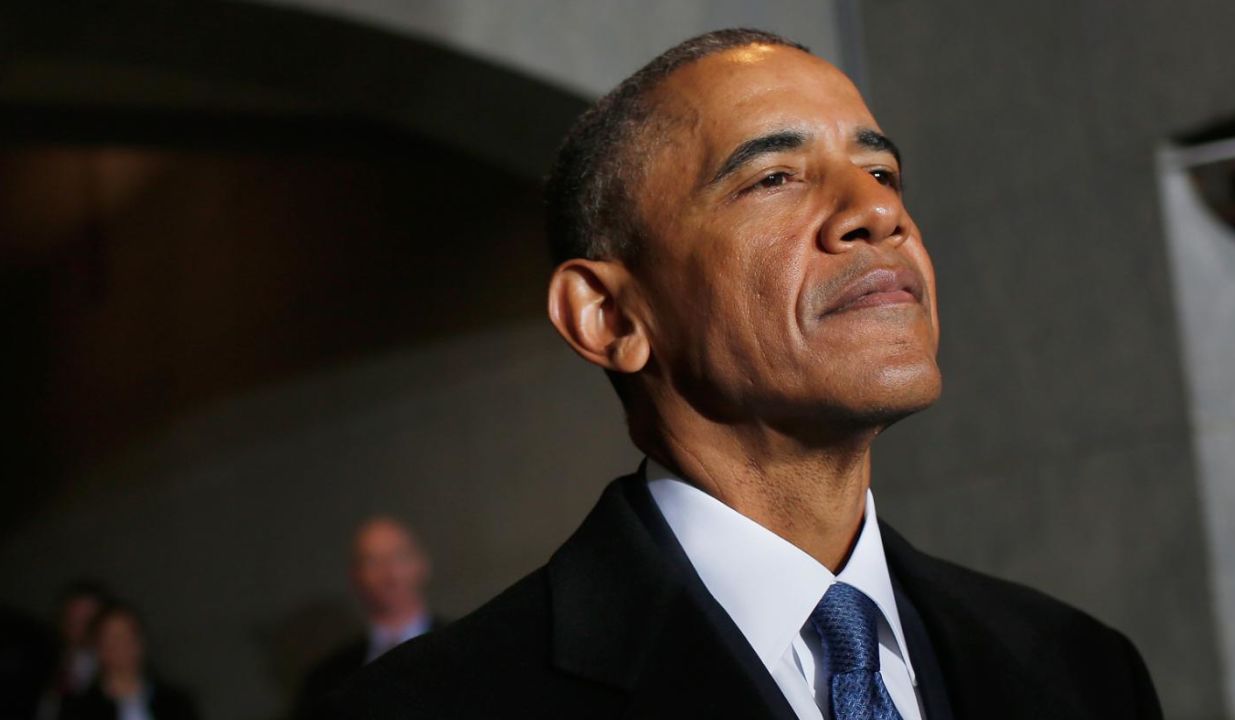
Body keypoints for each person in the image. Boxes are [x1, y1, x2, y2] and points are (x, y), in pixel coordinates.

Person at [325, 28, 1163, 720]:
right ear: (609, 318)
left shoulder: (1082, 671)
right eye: (774, 178)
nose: (880, 212)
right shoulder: (429, 707)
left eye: (881, 173)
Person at [296, 518, 438, 716]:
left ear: (422, 564)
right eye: (372, 561)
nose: (390, 574)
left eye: (399, 557)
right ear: (355, 576)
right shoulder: (328, 678)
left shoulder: (464, 647)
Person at [58, 603, 197, 720]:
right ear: (98, 647)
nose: (121, 647)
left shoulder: (174, 704)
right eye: (112, 640)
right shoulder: (80, 710)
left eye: (127, 637)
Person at [37, 581, 112, 720]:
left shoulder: (110, 673)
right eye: (74, 618)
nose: (81, 628)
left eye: (90, 620)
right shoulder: (41, 658)